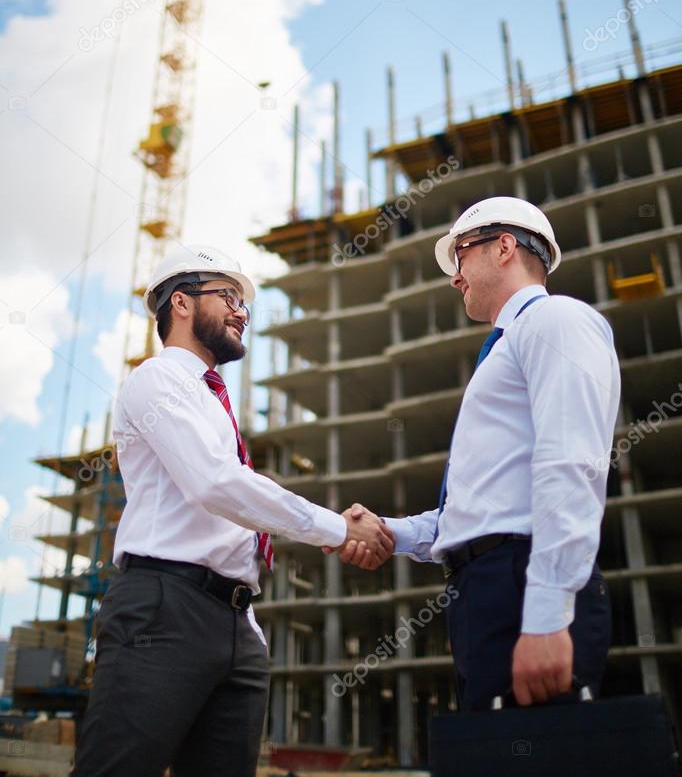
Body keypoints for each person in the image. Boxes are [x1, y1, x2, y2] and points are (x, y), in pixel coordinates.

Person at [73, 244, 394, 777]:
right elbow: (217, 484)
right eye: (228, 296)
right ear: (180, 302)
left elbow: (229, 505)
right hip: (162, 606)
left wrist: (246, 623)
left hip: (235, 620)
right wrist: (338, 529)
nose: (242, 311)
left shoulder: (211, 401)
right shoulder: (157, 382)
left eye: (244, 302)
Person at [338, 197, 620, 711]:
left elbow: (571, 465)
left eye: (461, 254)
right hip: (487, 590)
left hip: (523, 582)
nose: (454, 277)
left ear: (505, 247)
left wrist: (546, 615)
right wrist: (390, 532)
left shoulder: (555, 320)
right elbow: (482, 508)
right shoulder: (507, 349)